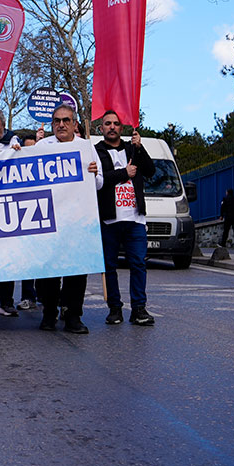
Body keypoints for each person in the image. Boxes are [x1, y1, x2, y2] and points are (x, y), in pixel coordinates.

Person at [34, 103, 102, 334]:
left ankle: (73, 315)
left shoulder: (85, 147)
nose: (61, 124)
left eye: (66, 120)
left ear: (74, 124)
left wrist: (93, 173)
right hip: (51, 218)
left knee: (76, 271)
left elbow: (100, 183)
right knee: (50, 271)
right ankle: (49, 314)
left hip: (78, 220)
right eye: (57, 121)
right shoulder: (43, 146)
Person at [94, 110, 156, 326]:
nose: (112, 127)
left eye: (116, 124)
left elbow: (150, 171)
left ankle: (139, 309)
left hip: (135, 218)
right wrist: (124, 173)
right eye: (107, 123)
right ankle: (115, 309)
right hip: (110, 219)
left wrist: (140, 148)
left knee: (138, 263)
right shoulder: (96, 152)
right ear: (101, 128)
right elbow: (98, 182)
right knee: (110, 266)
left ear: (122, 128)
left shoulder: (132, 148)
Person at [0, 107, 28, 317]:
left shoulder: (13, 140)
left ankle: (6, 302)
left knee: (7, 256)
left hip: (7, 205)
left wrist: (17, 150)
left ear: (4, 126)